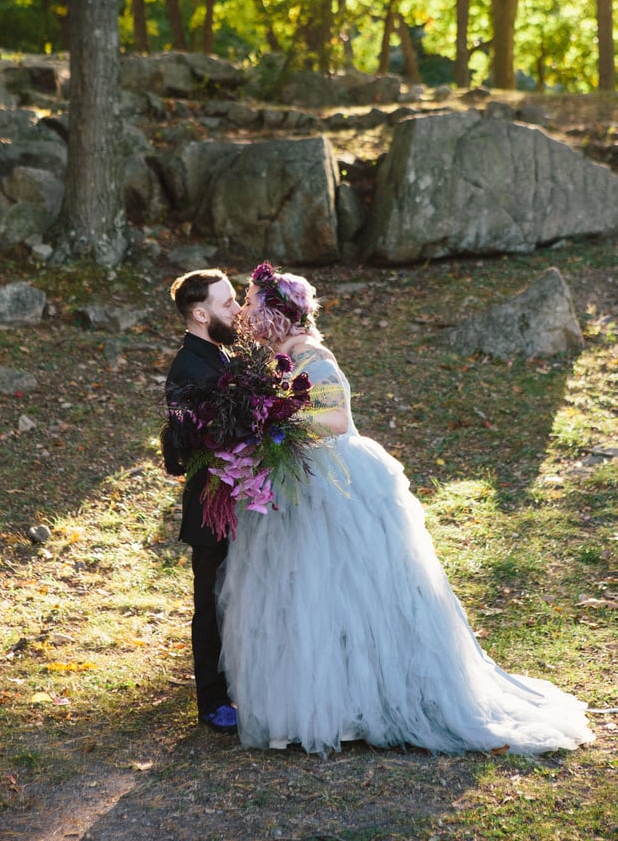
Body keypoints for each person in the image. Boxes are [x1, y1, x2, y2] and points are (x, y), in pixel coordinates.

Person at [216, 261, 595, 757]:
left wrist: (281, 421)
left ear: (275, 314)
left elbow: (335, 420)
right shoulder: (278, 357)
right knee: (297, 594)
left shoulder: (312, 358)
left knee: (339, 590)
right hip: (296, 484)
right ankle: (307, 708)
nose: (244, 311)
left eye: (250, 303)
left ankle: (353, 708)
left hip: (335, 484)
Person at [162, 268, 241, 734]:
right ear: (200, 312)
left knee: (237, 597)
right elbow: (180, 451)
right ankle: (212, 702)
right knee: (210, 603)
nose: (236, 308)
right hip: (212, 501)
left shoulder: (221, 352)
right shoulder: (188, 367)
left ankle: (239, 683)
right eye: (228, 301)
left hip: (240, 495)